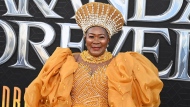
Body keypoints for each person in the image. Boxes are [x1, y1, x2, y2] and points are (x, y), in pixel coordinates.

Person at [24, 2, 163, 107]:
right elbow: (42, 91)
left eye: (101, 37)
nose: (96, 41)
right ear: (85, 37)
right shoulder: (68, 60)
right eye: (91, 36)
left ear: (108, 40)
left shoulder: (121, 65)